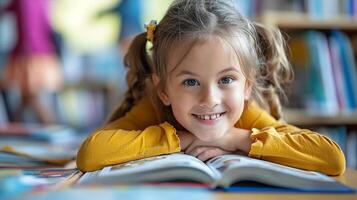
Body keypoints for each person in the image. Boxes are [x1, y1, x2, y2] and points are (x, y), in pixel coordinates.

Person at [76, 0, 345, 175]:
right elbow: (91, 154)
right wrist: (184, 138)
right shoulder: (154, 108)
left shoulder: (246, 117)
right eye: (190, 82)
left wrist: (233, 139)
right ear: (163, 89)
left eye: (226, 80)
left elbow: (332, 159)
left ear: (247, 85)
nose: (210, 98)